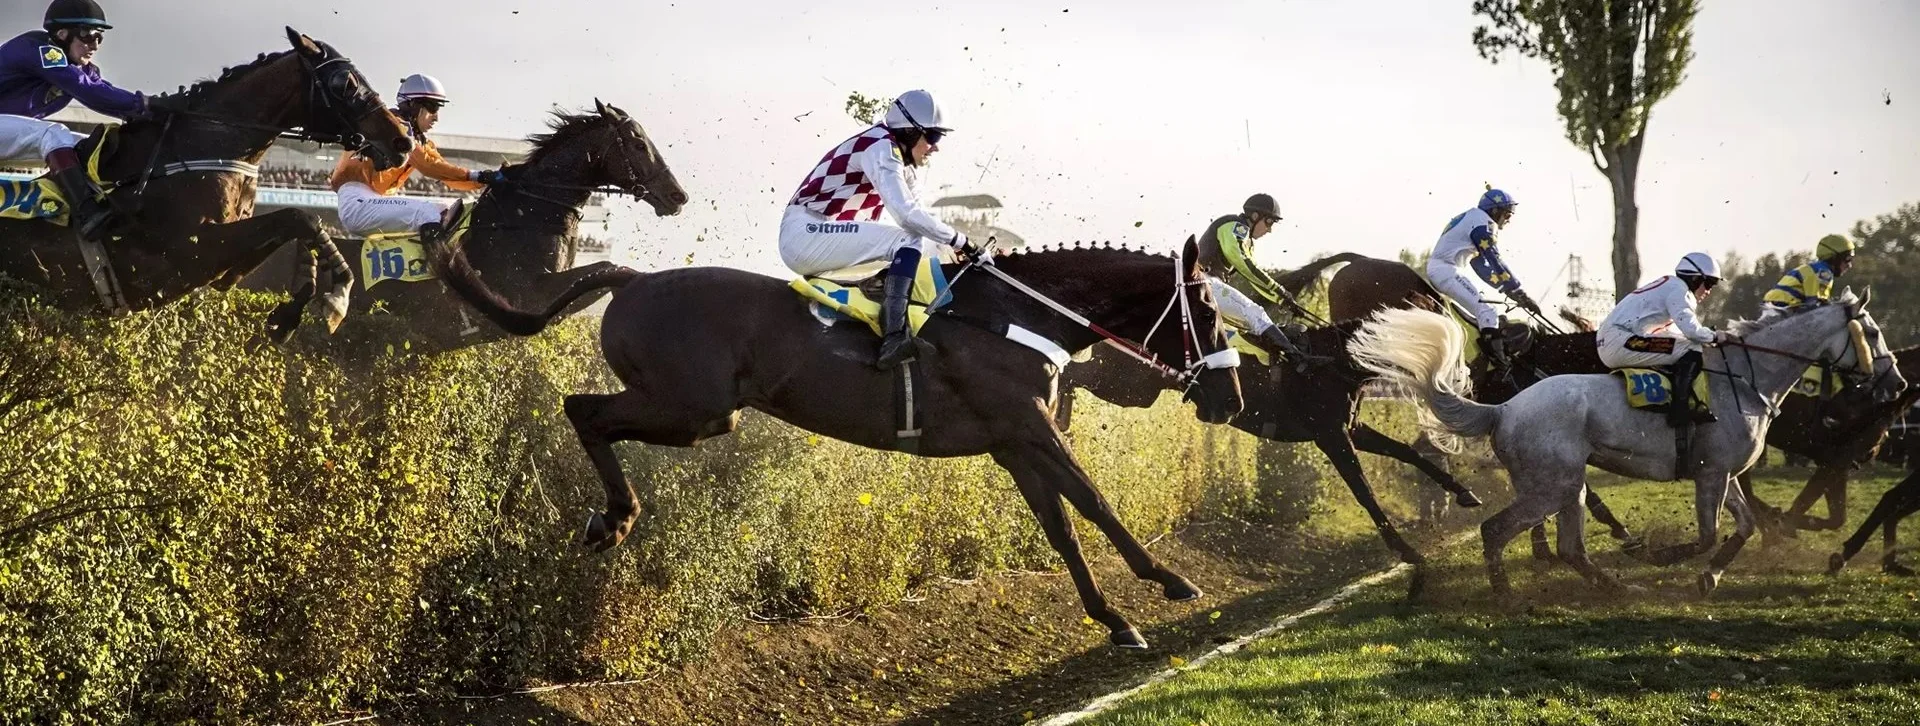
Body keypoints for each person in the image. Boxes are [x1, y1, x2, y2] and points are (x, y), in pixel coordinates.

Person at [779, 89, 987, 369]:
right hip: (805, 233)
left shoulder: (903, 163)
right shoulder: (880, 147)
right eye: (933, 137)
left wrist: (953, 249)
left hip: (822, 232)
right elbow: (907, 217)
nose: (936, 147)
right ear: (911, 132)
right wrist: (963, 241)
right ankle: (894, 336)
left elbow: (921, 216)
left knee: (921, 249)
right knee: (908, 240)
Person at [0, 0, 148, 242]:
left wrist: (155, 114)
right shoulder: (39, 49)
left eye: (100, 38)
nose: (95, 45)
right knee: (54, 134)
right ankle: (87, 212)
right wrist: (147, 104)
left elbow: (105, 98)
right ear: (62, 34)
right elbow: (89, 92)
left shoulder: (78, 68)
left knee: (89, 143)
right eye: (89, 37)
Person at [329, 74, 506, 240]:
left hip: (374, 200)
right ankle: (441, 269)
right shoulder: (396, 128)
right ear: (412, 105)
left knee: (447, 209)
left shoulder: (418, 140)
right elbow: (429, 166)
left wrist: (483, 180)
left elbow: (442, 169)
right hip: (358, 203)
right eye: (433, 107)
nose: (436, 117)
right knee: (428, 214)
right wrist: (479, 175)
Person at [1597, 252, 1734, 433]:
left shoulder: (1670, 285)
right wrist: (1716, 337)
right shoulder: (1680, 291)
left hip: (1615, 340)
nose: (1708, 291)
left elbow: (1676, 333)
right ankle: (1679, 410)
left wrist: (1706, 337)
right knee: (1691, 346)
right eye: (1708, 283)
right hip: (1619, 341)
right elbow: (1691, 331)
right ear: (1694, 279)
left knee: (1686, 345)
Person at [1427, 188, 1541, 366]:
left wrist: (1507, 290)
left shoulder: (1474, 219)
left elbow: (1481, 266)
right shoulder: (1483, 223)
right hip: (1446, 270)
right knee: (1488, 312)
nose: (1509, 219)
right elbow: (1494, 259)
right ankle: (1499, 364)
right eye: (1507, 214)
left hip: (1445, 269)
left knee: (1490, 311)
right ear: (1495, 211)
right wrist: (1519, 291)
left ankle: (1494, 358)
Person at [1194, 193, 1309, 364]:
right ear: (1255, 216)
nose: (1269, 230)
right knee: (1254, 312)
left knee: (1248, 329)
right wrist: (1281, 291)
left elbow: (1252, 278)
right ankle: (1298, 359)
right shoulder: (1236, 226)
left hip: (1206, 284)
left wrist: (1283, 300)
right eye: (1269, 222)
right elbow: (1246, 266)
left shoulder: (1248, 240)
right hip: (1203, 282)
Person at [1761, 234, 1856, 320]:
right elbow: (1817, 306)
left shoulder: (1813, 267)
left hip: (1770, 305)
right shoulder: (1824, 273)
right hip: (1785, 308)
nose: (1849, 265)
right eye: (1847, 260)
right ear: (1834, 258)